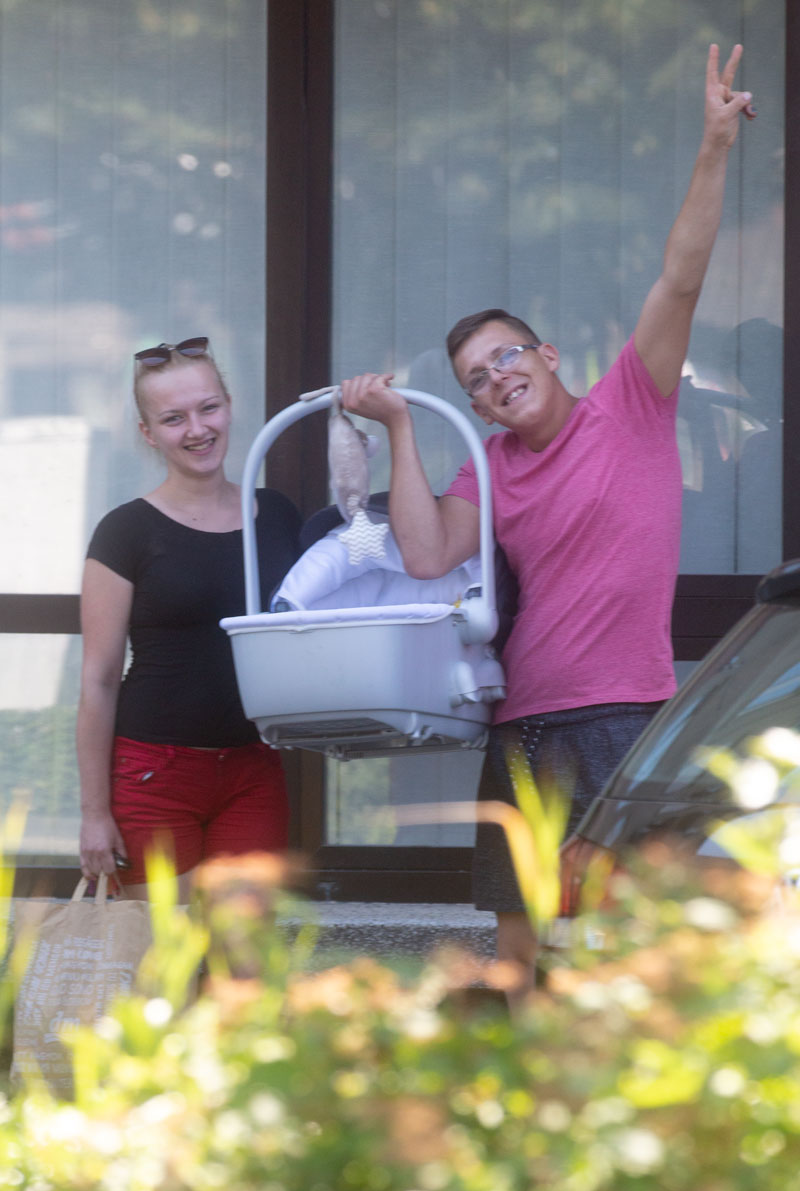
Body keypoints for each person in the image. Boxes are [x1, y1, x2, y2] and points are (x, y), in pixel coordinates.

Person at [338, 44, 756, 989]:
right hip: (523, 724)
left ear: (549, 355)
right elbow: (425, 555)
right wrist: (400, 426)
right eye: (476, 380)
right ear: (478, 409)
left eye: (507, 356)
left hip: (625, 715)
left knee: (638, 945)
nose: (496, 377)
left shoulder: (631, 405)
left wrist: (714, 145)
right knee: (519, 946)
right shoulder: (486, 463)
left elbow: (680, 279)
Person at [77, 337, 301, 901]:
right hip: (154, 772)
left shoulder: (277, 515)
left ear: (229, 405)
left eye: (208, 408)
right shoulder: (125, 531)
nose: (197, 429)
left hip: (253, 769)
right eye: (173, 418)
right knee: (164, 953)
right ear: (148, 432)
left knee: (243, 951)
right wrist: (94, 814)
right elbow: (98, 679)